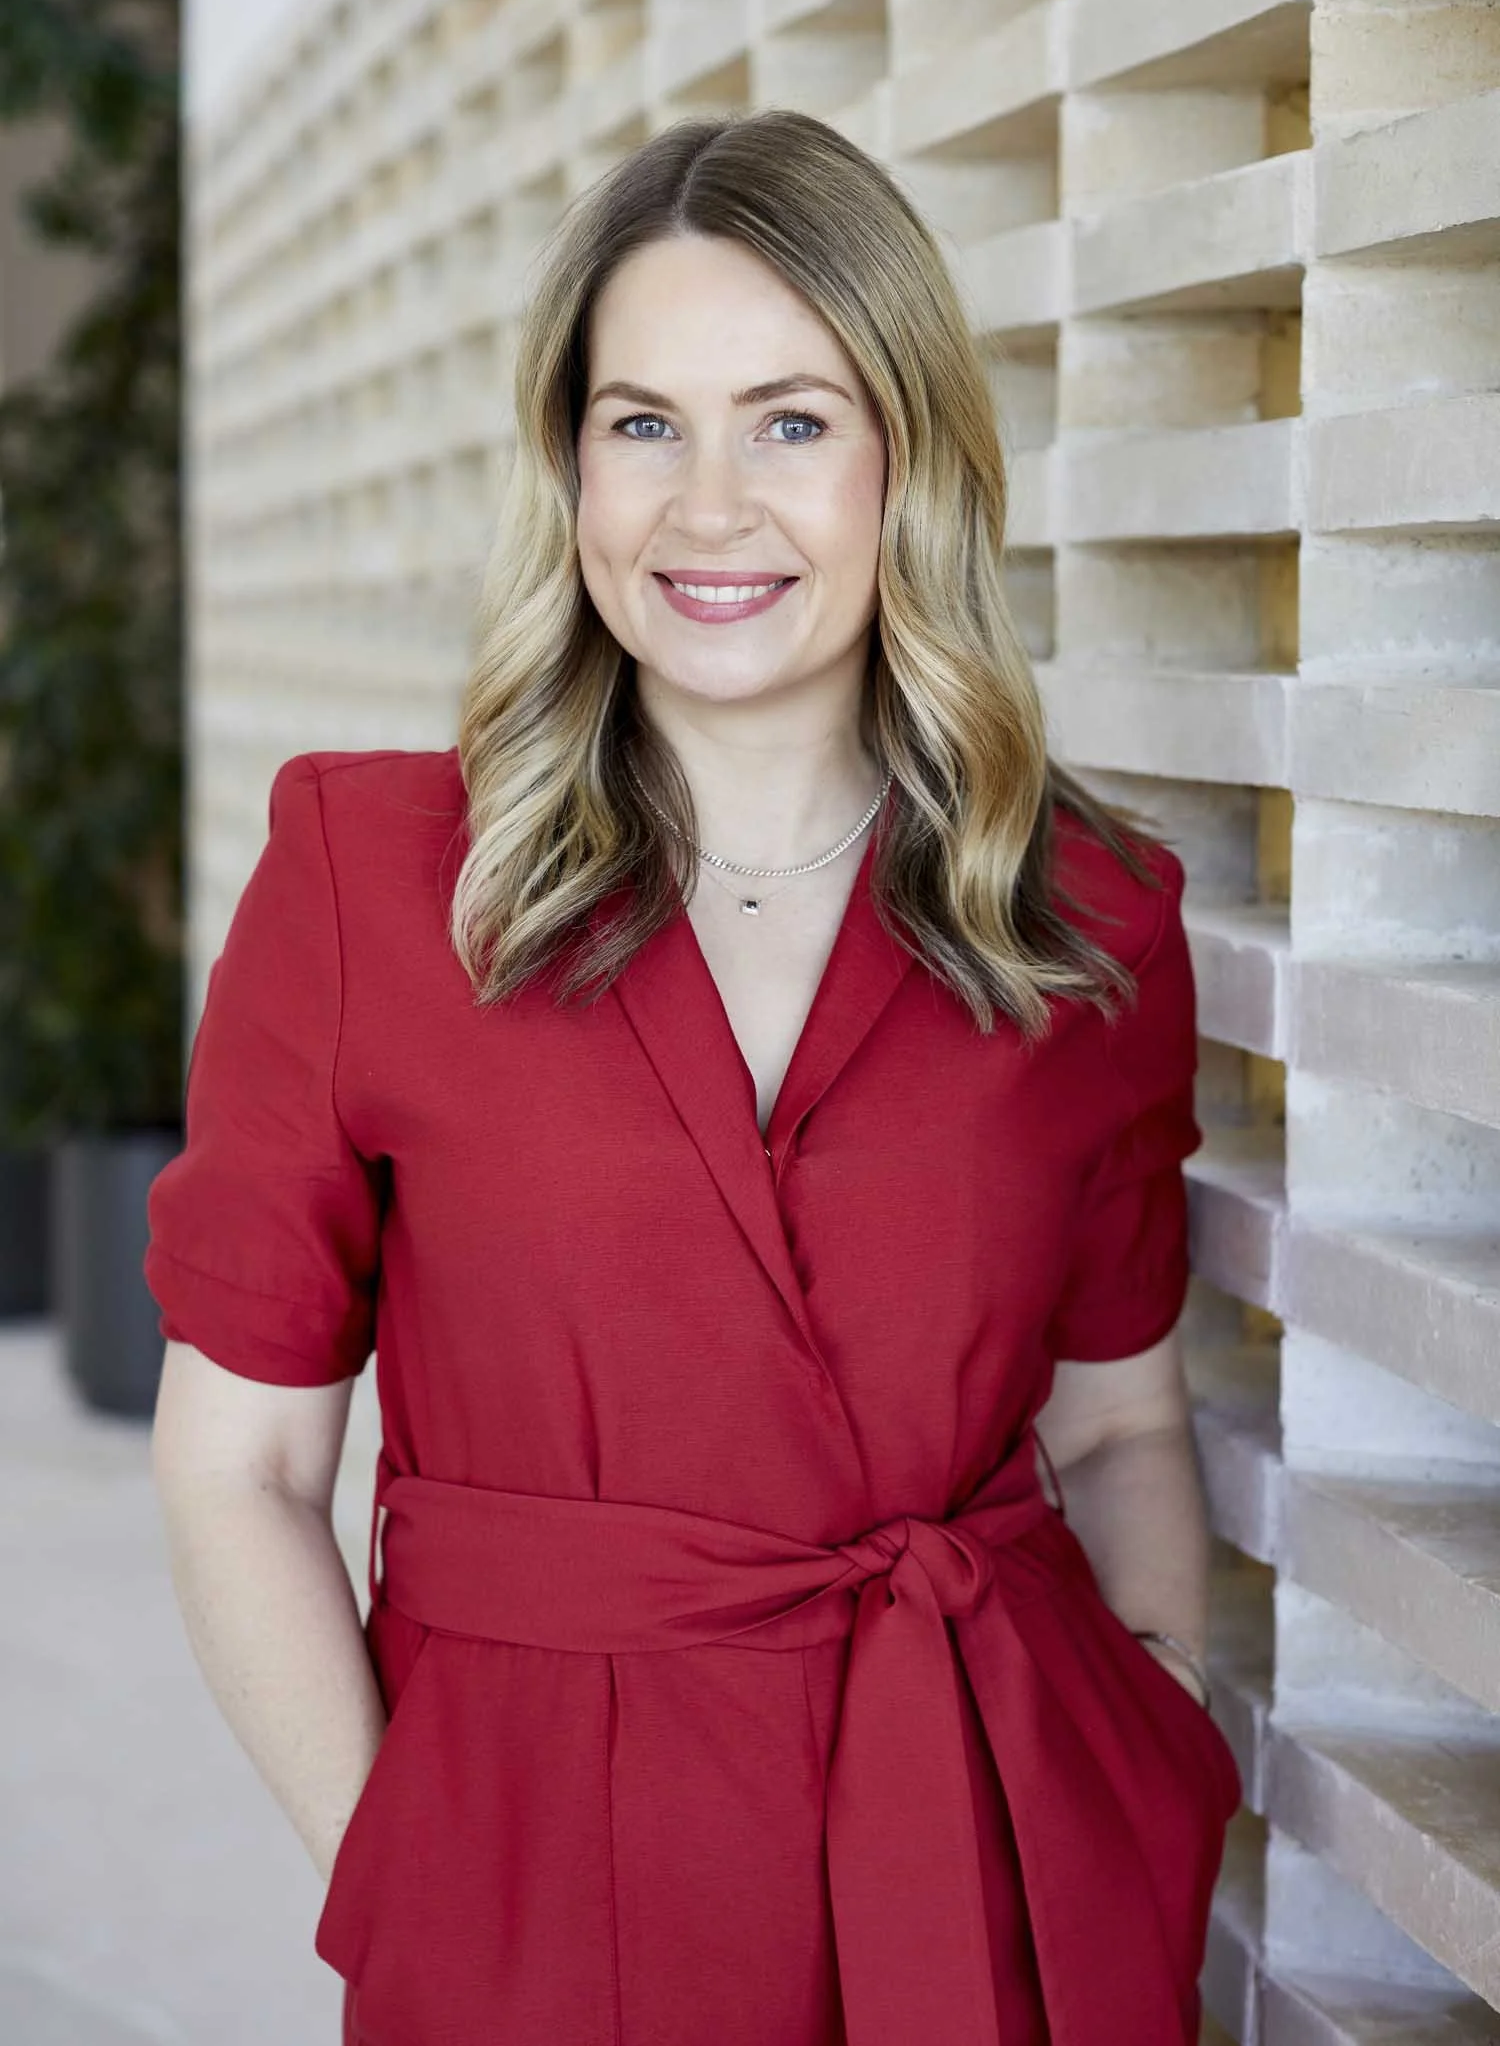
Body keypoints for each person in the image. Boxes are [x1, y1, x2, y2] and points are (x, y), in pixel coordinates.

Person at [147, 106, 1241, 2046]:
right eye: (643, 422)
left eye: (791, 422)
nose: (708, 506)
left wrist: (1146, 1718)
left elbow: (1118, 1425)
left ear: (910, 463)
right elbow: (244, 1466)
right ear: (569, 464)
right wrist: (404, 1882)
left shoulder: (1085, 921)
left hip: (992, 1870)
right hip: (535, 1903)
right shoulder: (371, 884)